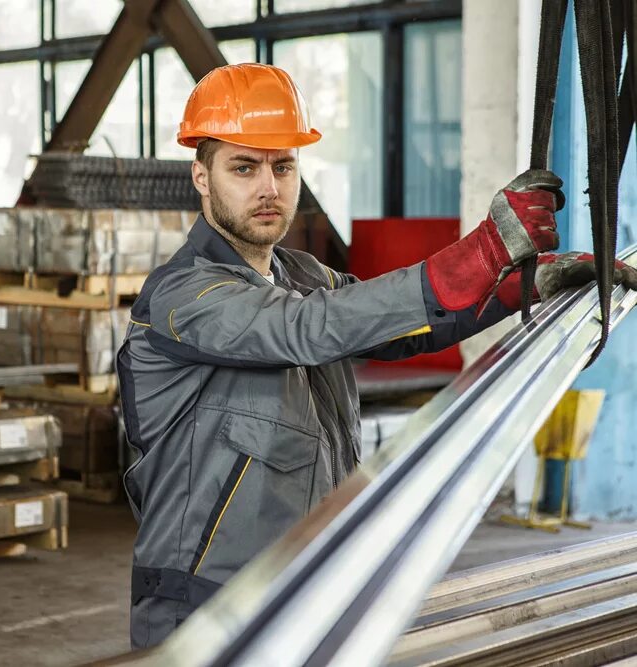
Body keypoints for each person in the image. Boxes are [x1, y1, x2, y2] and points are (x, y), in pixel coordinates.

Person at [117, 63, 637, 649]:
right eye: (244, 167)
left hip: (305, 591)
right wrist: (476, 255)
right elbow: (304, 330)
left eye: (283, 166)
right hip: (201, 613)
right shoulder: (182, 295)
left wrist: (514, 289)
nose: (269, 187)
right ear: (202, 178)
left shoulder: (303, 275)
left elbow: (401, 330)